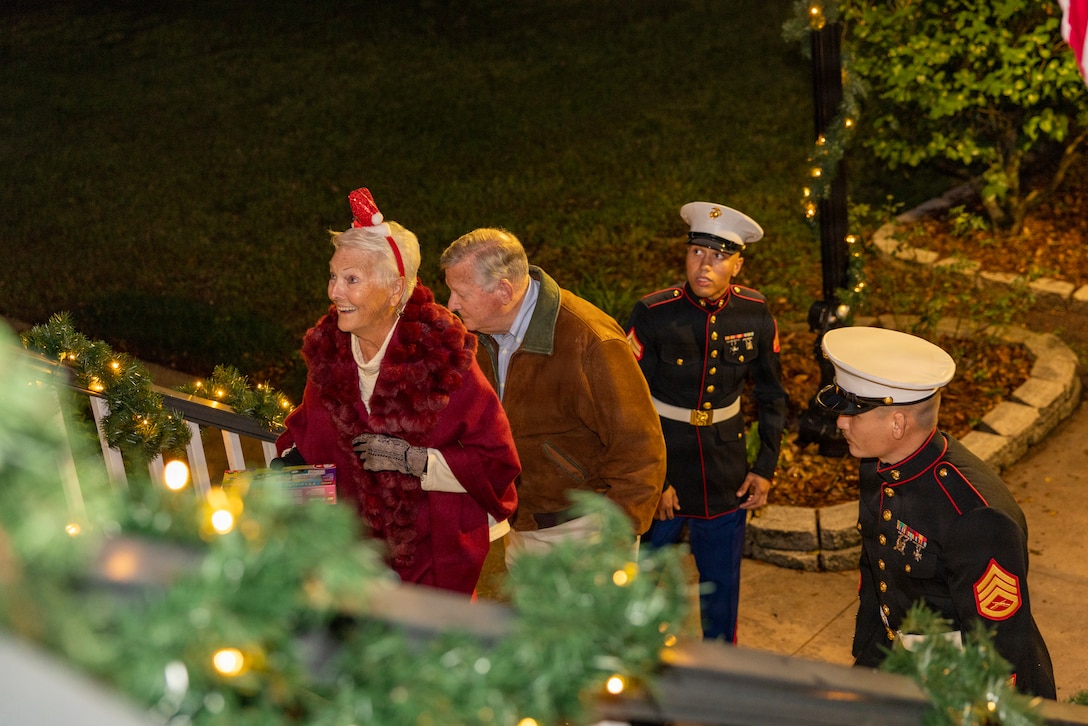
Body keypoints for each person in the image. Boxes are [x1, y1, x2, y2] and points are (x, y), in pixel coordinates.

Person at [275, 188, 520, 596]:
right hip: (348, 565)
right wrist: (290, 468)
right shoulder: (328, 355)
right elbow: (310, 435)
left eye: (352, 279)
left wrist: (417, 461)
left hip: (428, 567)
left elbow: (496, 464)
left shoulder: (444, 361)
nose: (335, 291)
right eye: (334, 276)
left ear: (395, 290)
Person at [816, 325, 1056, 698]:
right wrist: (869, 655)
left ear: (898, 423)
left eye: (854, 414)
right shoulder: (881, 466)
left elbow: (998, 643)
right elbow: (878, 570)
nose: (841, 423)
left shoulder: (975, 515)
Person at [439, 228, 666, 562]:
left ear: (504, 291)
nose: (451, 305)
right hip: (520, 526)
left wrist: (615, 535)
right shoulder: (481, 335)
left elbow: (640, 447)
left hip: (587, 533)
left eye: (460, 293)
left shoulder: (590, 340)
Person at [625, 201, 788, 643]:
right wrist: (654, 479)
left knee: (722, 583)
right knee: (641, 578)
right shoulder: (654, 313)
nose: (705, 265)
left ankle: (721, 668)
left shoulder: (753, 313)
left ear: (737, 264)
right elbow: (630, 403)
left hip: (725, 466)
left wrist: (764, 466)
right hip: (666, 461)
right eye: (698, 252)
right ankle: (631, 663)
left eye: (718, 257)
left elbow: (772, 396)